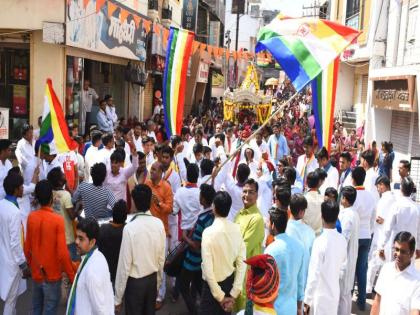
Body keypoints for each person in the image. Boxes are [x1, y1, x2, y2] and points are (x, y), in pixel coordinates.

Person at [24, 180, 75, 315]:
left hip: (36, 273)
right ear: (52, 198)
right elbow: (63, 253)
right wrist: (72, 275)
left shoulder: (31, 217)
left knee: (36, 308)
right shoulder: (57, 220)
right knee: (50, 309)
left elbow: (27, 247)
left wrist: (31, 265)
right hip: (52, 275)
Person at [114, 184, 166, 315]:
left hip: (135, 285)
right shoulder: (159, 224)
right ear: (150, 201)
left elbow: (124, 266)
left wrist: (118, 298)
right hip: (151, 281)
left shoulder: (130, 229)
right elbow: (161, 259)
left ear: (134, 203)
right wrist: (158, 284)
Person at [200, 191, 247, 315]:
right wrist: (233, 294)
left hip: (211, 289)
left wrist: (221, 297)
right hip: (228, 285)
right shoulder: (237, 230)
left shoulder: (208, 233)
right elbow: (242, 264)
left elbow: (209, 270)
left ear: (214, 207)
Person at [303, 200, 347, 315]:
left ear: (321, 216)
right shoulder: (342, 240)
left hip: (319, 297)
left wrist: (307, 300)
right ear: (337, 216)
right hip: (334, 293)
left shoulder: (319, 242)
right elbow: (343, 268)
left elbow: (314, 274)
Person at [179, 184, 216, 315]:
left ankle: (194, 311)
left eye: (201, 195)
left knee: (183, 286)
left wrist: (185, 238)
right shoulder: (212, 216)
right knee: (199, 286)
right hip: (202, 260)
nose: (199, 197)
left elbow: (196, 245)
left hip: (192, 260)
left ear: (204, 200)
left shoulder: (202, 218)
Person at [66, 218, 114, 314]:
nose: (76, 242)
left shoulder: (92, 271)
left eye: (81, 239)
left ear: (92, 242)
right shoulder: (97, 256)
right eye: (76, 237)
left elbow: (100, 310)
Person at [265, 207, 305, 315]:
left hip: (273, 309)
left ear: (272, 225)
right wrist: (299, 308)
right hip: (291, 308)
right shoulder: (299, 247)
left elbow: (265, 285)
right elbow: (301, 281)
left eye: (268, 222)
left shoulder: (270, 250)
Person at [0, 173, 30, 315]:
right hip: (13, 262)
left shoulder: (2, 205)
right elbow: (15, 243)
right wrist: (23, 265)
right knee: (11, 301)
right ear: (16, 190)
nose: (23, 189)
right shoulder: (14, 212)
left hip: (4, 258)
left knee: (11, 299)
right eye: (21, 187)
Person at [144, 161, 173, 308]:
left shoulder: (166, 187)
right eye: (151, 169)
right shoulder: (147, 184)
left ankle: (160, 297)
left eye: (154, 170)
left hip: (162, 232)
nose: (152, 172)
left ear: (161, 172)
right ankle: (150, 292)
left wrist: (159, 203)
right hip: (148, 230)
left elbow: (170, 209)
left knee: (161, 265)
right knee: (149, 263)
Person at [371, 232, 420, 315]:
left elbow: (415, 311)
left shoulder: (417, 280)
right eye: (396, 249)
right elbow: (377, 301)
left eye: (403, 251)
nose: (398, 254)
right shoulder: (386, 269)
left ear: (411, 253)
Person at [234, 178, 265, 310]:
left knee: (243, 309)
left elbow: (244, 248)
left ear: (257, 195)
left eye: (251, 192)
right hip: (236, 272)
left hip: (246, 277)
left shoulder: (257, 219)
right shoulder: (240, 214)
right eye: (245, 191)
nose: (247, 195)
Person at [351, 166, 376, 311]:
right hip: (366, 235)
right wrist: (370, 231)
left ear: (353, 179)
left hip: (355, 235)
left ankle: (348, 297)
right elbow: (373, 217)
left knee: (350, 268)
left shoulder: (352, 194)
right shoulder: (370, 196)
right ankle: (361, 301)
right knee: (362, 268)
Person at [367, 176, 396, 296]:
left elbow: (380, 219)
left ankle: (368, 289)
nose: (378, 188)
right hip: (387, 236)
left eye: (378, 186)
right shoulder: (392, 198)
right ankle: (375, 287)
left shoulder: (386, 199)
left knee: (373, 262)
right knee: (381, 264)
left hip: (380, 235)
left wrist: (371, 218)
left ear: (383, 185)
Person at [380, 177, 420, 262]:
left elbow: (388, 228)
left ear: (401, 188)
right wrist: (418, 248)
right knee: (408, 272)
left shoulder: (396, 206)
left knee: (394, 271)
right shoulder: (417, 208)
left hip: (397, 246)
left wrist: (381, 246)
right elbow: (418, 230)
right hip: (410, 247)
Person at [47, 167, 78, 261]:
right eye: (62, 174)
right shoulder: (65, 195)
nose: (65, 175)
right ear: (60, 182)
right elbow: (72, 216)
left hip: (54, 238)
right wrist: (79, 208)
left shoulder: (50, 193)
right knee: (72, 265)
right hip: (68, 238)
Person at [338, 186, 360, 315]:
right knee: (345, 295)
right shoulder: (353, 213)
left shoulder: (348, 216)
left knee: (343, 295)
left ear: (345, 199)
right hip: (349, 259)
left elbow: (343, 240)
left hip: (345, 260)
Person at [286, 194, 315, 286]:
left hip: (288, 278)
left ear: (289, 208)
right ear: (302, 212)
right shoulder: (310, 231)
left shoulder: (284, 229)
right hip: (304, 279)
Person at [97, 200, 128, 286]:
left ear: (113, 214)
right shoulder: (127, 230)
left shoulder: (103, 229)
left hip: (105, 270)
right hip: (121, 272)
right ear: (125, 217)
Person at [173, 163, 201, 232]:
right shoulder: (201, 193)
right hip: (197, 230)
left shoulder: (179, 191)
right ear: (197, 176)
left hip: (183, 230)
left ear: (187, 175)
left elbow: (174, 212)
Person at [303, 171, 323, 235]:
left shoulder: (303, 199)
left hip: (306, 236)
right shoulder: (323, 200)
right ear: (319, 183)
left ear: (306, 182)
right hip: (319, 236)